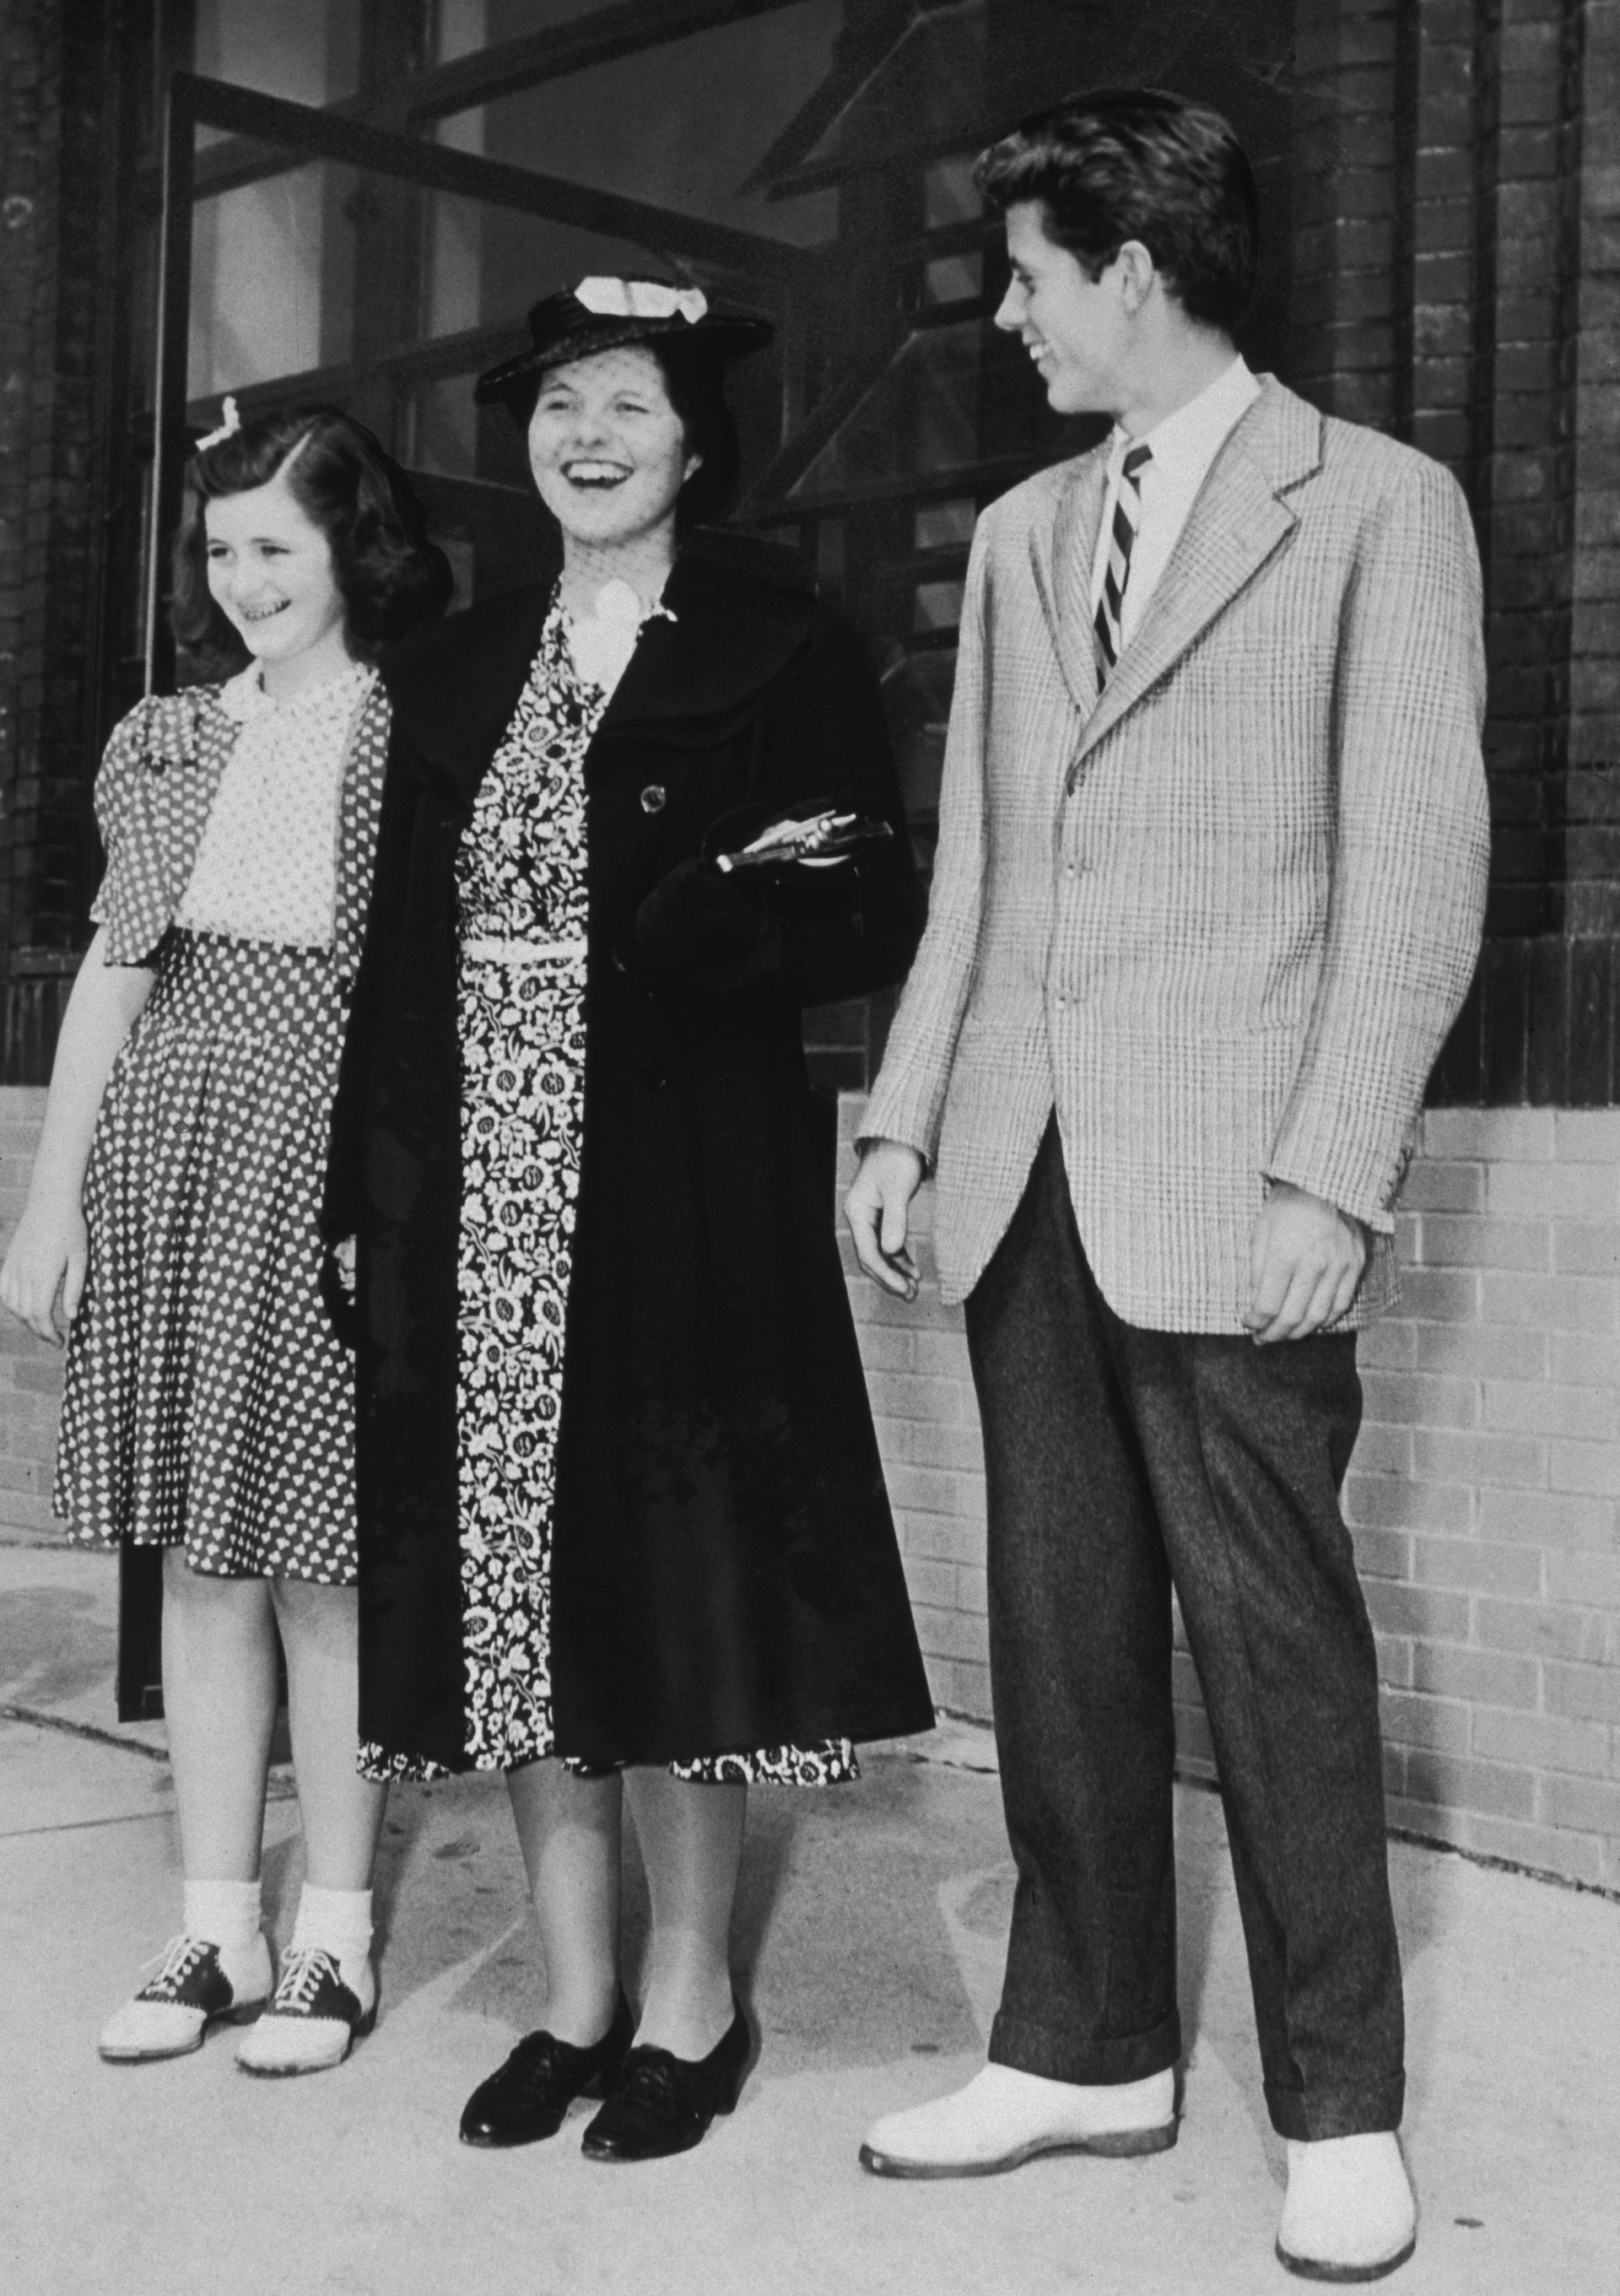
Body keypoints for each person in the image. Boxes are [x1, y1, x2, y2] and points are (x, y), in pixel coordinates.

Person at [845, 90, 1488, 2282]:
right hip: (1030, 1167)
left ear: (1136, 269)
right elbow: (989, 868)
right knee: (1061, 1626)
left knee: (1277, 1638)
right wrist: (907, 1111)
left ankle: (1342, 2101)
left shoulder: (1376, 508)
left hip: (1240, 1176)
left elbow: (1414, 874)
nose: (1008, 315)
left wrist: (1336, 1167)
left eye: (1030, 273)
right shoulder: (1031, 534)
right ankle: (1090, 2039)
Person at [324, 275, 935, 2162]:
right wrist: (369, 1178)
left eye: (629, 406)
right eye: (562, 405)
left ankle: (693, 1997)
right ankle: (573, 1993)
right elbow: (396, 954)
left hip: (678, 1186)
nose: (589, 437)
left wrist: (723, 926)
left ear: (694, 438)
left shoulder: (778, 637)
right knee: (511, 1595)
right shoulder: (457, 661)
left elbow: (870, 893)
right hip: (478, 1188)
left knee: (680, 1590)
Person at [0, 403, 450, 2076]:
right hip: (172, 1148)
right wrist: (51, 1198)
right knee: (200, 1552)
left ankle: (333, 1927)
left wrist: (397, 1202)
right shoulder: (165, 739)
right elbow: (119, 967)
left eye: (277, 543)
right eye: (222, 549)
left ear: (352, 547)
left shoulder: (409, 732)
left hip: (330, 1149)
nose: (245, 577)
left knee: (325, 1557)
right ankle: (215, 1917)